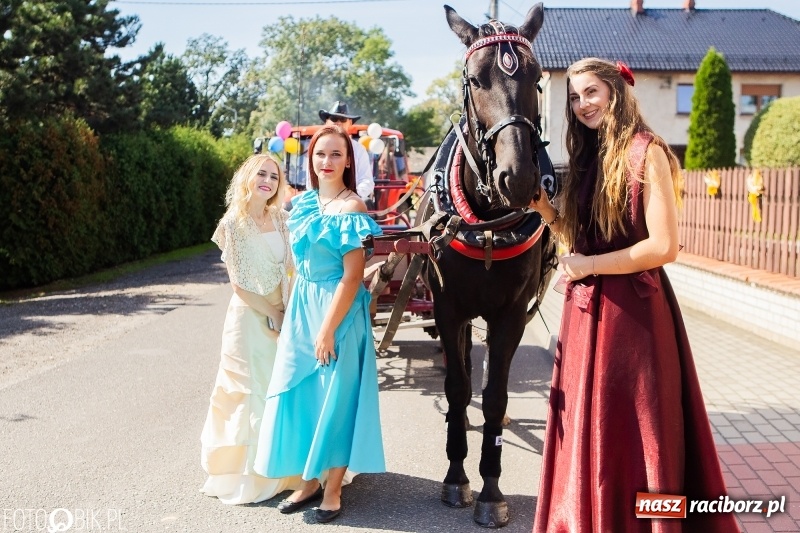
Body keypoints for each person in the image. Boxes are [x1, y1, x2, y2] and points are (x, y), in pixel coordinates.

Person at [528, 58, 738, 532]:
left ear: (616, 93)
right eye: (575, 97)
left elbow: (663, 247)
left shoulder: (648, 153)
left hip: (634, 319)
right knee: (589, 427)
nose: (582, 105)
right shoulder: (588, 157)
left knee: (635, 431)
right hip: (586, 315)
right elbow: (584, 241)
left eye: (591, 92)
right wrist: (545, 211)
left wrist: (589, 268)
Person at [254, 125, 385, 524]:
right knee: (304, 395)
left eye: (335, 155)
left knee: (336, 398)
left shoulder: (352, 208)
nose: (326, 162)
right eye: (320, 155)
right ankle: (307, 480)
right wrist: (290, 315)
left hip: (339, 311)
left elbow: (351, 276)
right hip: (302, 307)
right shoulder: (304, 203)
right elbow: (296, 269)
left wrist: (327, 329)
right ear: (310, 160)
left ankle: (332, 488)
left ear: (349, 160)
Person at [200, 153, 300, 504]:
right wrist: (274, 312)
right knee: (252, 389)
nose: (267, 181)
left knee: (279, 387)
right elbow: (239, 285)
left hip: (283, 312)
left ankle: (286, 468)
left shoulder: (282, 218)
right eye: (261, 173)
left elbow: (294, 265)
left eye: (274, 177)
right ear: (247, 177)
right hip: (251, 315)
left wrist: (290, 309)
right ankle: (252, 475)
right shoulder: (232, 223)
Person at [319, 101, 375, 201]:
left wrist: (353, 196)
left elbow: (366, 180)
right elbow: (311, 179)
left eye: (343, 119)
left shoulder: (358, 150)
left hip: (351, 202)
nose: (338, 122)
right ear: (327, 121)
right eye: (334, 118)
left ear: (350, 123)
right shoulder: (316, 146)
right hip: (322, 201)